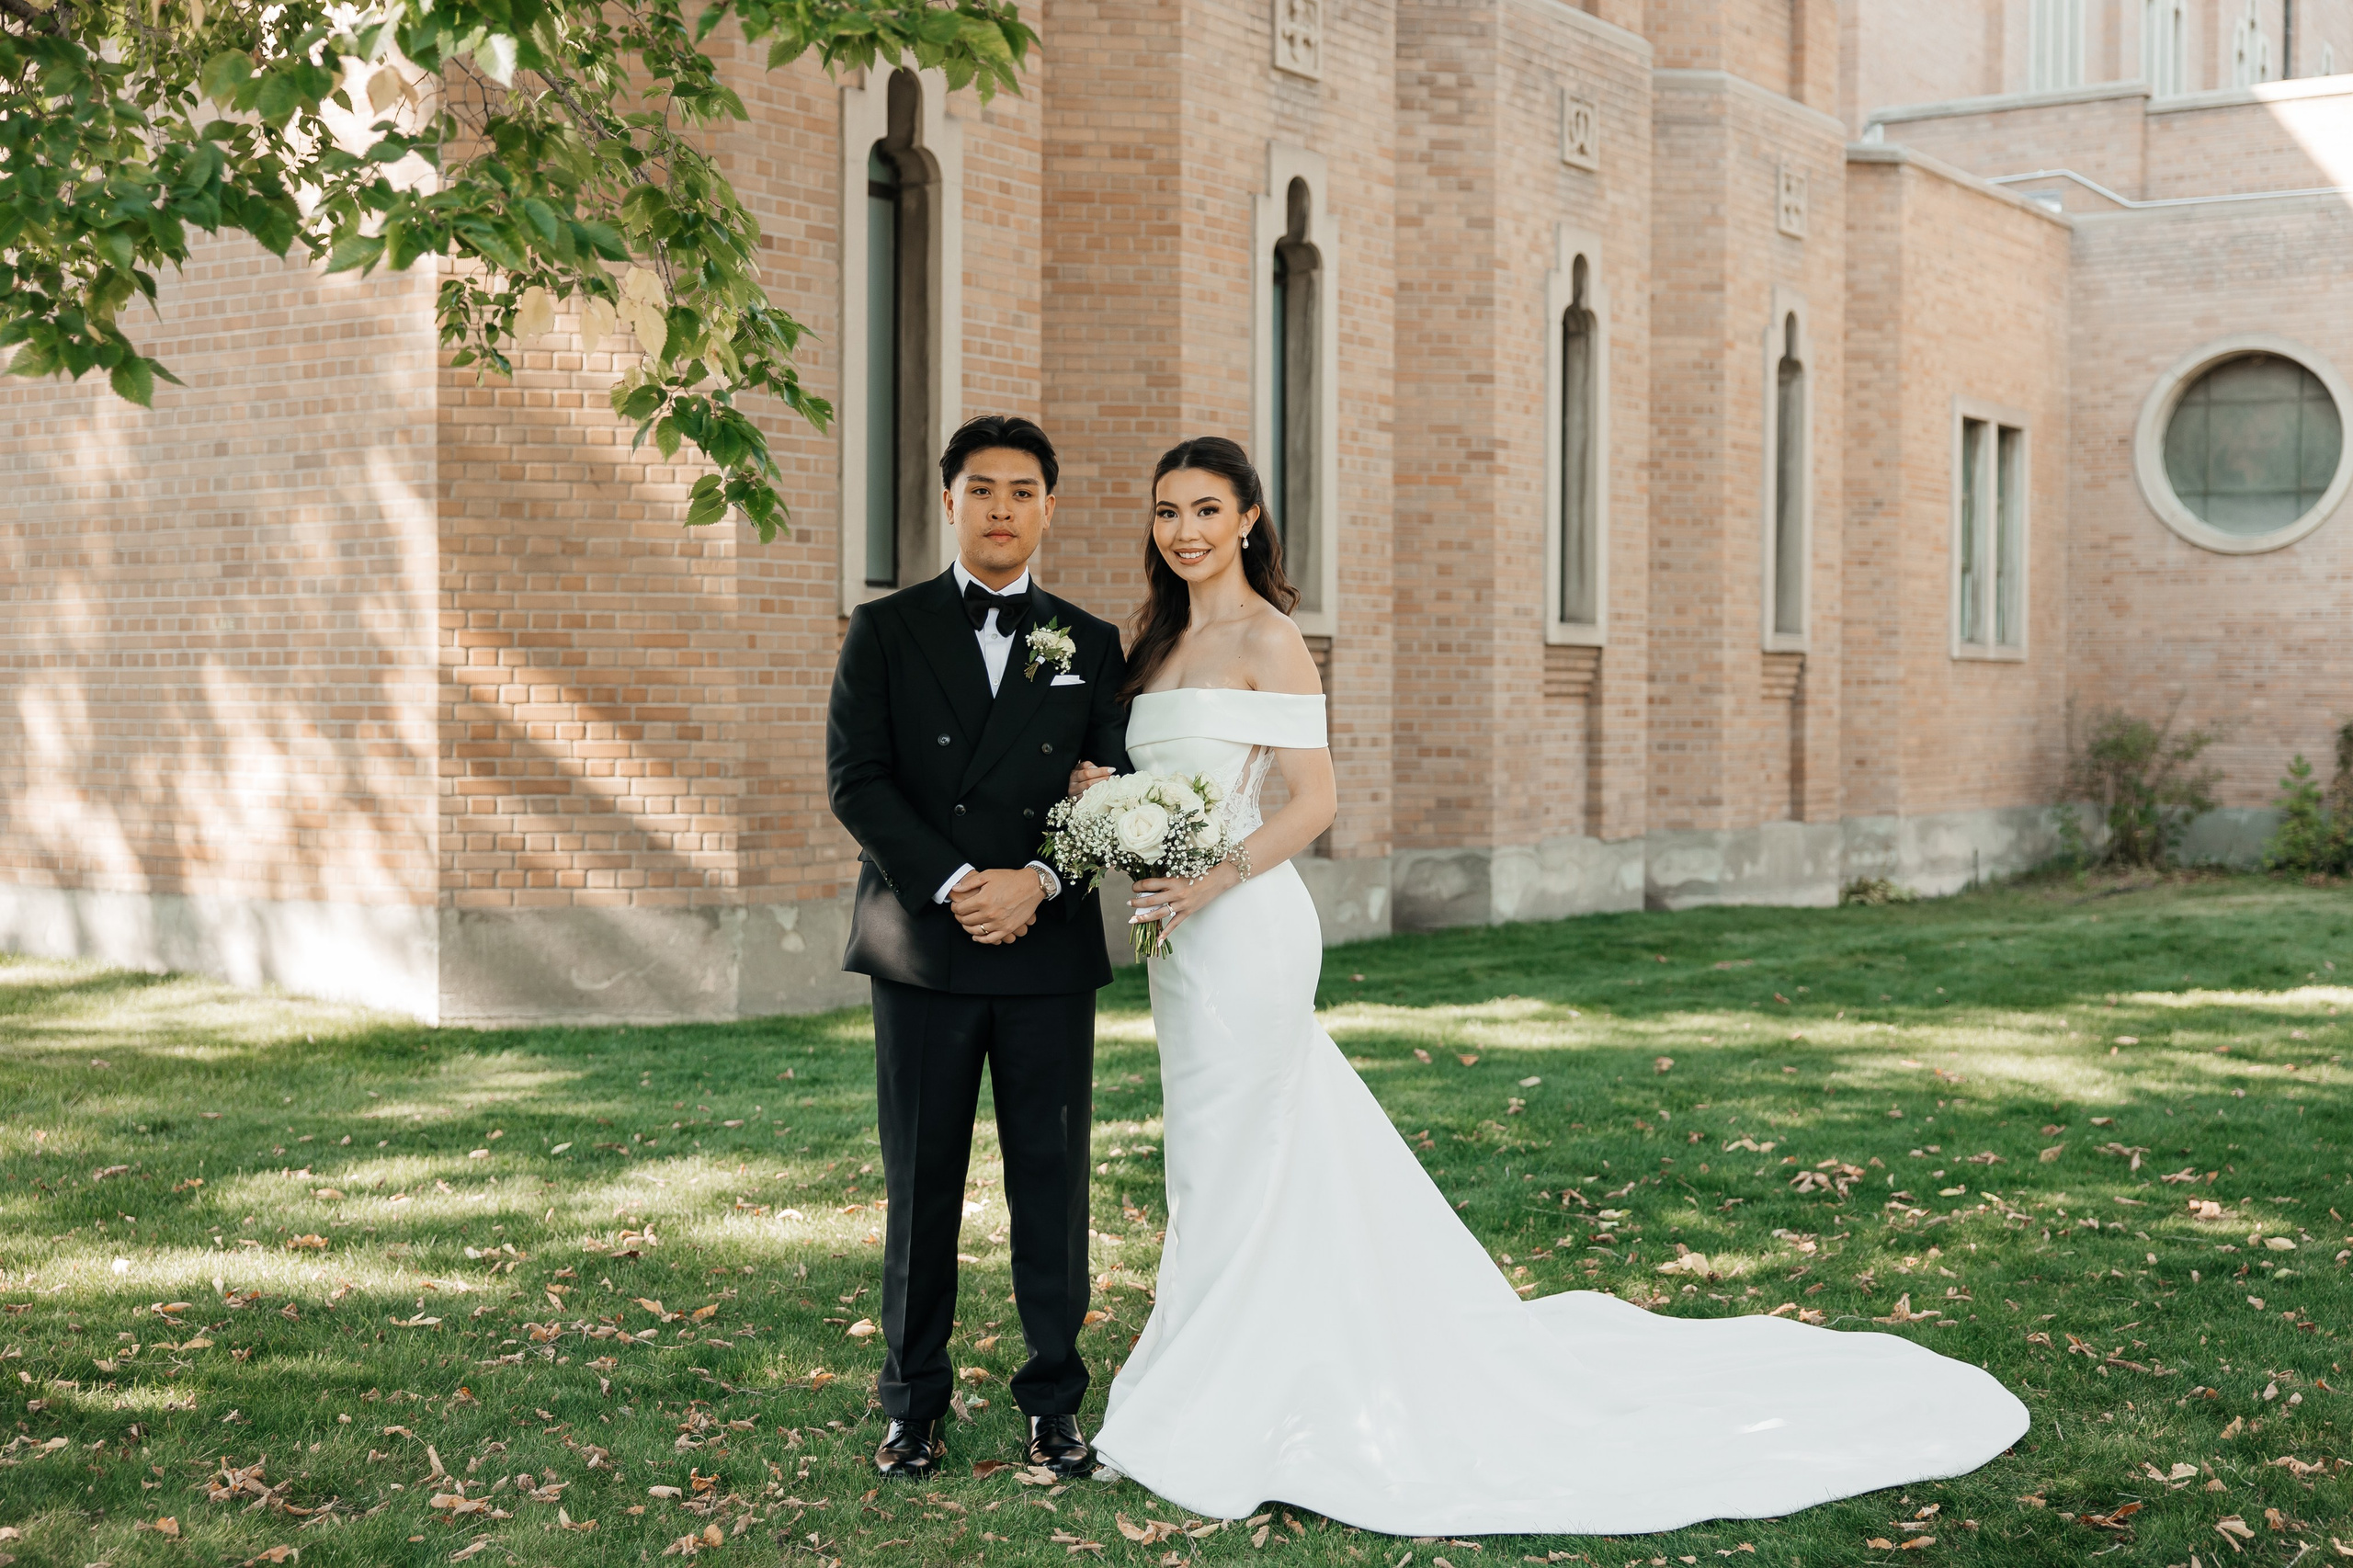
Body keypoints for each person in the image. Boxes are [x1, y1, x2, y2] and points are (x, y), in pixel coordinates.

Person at [1071, 435, 2029, 1534]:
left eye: (1205, 508)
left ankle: (1229, 1393)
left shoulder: (1272, 638)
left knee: (1247, 1143)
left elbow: (1312, 800)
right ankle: (1225, 1361)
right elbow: (1167, 779)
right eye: (1164, 511)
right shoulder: (1151, 644)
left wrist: (1212, 878)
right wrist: (1109, 793)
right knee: (1214, 1156)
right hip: (1181, 943)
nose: (1183, 530)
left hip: (1245, 928)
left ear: (1249, 518)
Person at [825, 415, 1131, 1482]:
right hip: (924, 947)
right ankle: (911, 1406)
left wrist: (1038, 880)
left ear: (1049, 508)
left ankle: (1055, 1406)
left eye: (1023, 490)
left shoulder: (1090, 642)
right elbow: (856, 780)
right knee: (921, 1181)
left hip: (1043, 952)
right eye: (982, 489)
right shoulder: (887, 629)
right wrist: (960, 884)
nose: (1002, 508)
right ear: (947, 501)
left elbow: (1111, 794)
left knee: (1051, 1180)